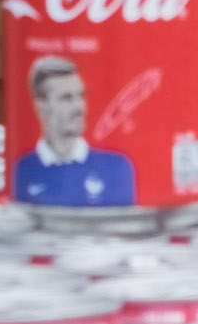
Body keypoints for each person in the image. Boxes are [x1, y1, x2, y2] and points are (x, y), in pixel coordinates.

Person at [9, 52, 136, 212]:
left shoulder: (116, 167)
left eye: (81, 96)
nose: (79, 107)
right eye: (66, 98)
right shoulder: (22, 169)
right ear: (41, 107)